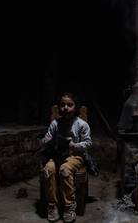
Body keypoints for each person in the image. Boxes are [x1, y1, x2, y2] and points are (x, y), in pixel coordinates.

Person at [39, 92, 92, 222]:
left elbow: (88, 142)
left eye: (70, 105)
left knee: (64, 169)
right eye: (62, 105)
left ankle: (69, 205)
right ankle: (53, 205)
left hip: (75, 156)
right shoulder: (55, 124)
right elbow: (45, 139)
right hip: (56, 155)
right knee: (49, 169)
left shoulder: (81, 124)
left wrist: (74, 145)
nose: (66, 108)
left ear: (76, 107)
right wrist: (47, 141)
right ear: (59, 107)